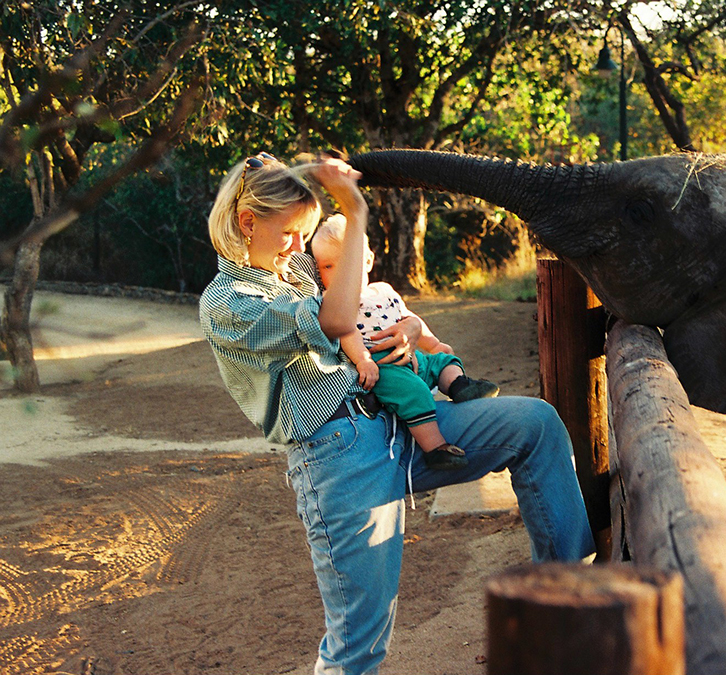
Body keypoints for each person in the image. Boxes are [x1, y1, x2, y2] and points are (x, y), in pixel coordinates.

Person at [199, 151, 595, 675]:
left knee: (536, 425)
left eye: (304, 233)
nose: (300, 247)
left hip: (401, 422)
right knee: (360, 642)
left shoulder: (286, 263)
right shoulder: (229, 302)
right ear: (247, 223)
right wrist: (357, 210)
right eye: (291, 233)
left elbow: (361, 292)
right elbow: (336, 315)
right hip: (339, 460)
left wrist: (409, 327)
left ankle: (563, 610)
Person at [310, 217, 499, 470]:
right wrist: (363, 360)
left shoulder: (384, 290)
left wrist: (433, 344)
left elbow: (410, 318)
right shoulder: (333, 301)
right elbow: (347, 333)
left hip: (411, 356)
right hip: (379, 363)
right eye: (328, 266)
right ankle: (435, 448)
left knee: (444, 361)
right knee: (413, 393)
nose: (339, 274)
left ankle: (459, 386)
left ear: (368, 261)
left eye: (346, 263)